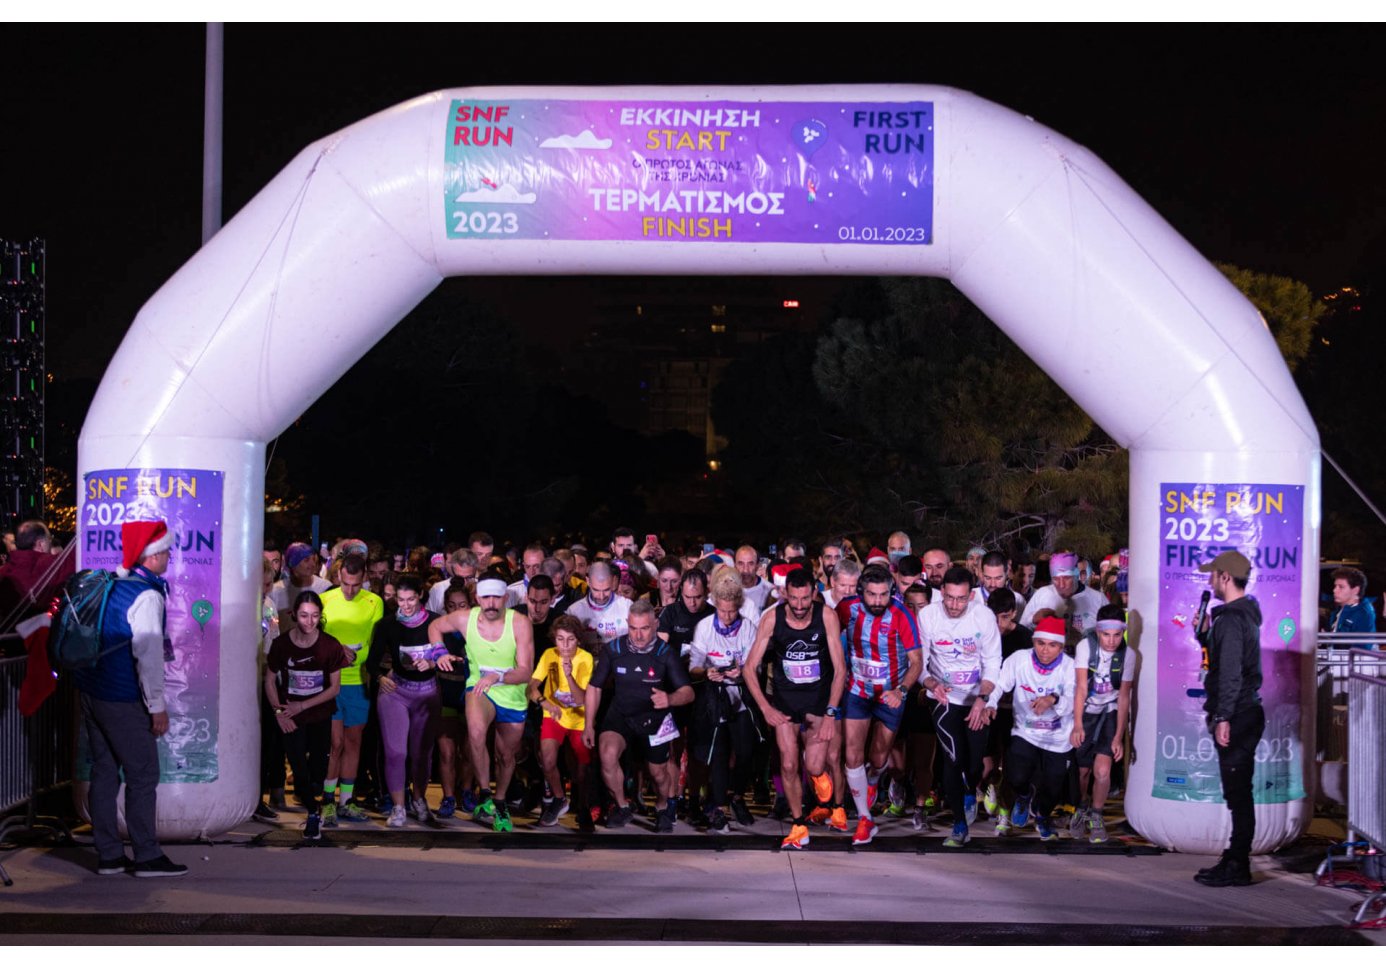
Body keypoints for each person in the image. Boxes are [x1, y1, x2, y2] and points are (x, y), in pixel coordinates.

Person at [74, 519, 186, 876]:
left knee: (105, 771)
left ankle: (108, 854)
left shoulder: (114, 584)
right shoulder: (148, 595)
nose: (169, 556)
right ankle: (147, 855)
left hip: (92, 692)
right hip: (123, 698)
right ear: (152, 557)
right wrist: (157, 706)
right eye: (166, 550)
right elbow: (148, 656)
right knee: (142, 775)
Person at [744, 566, 846, 850]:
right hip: (785, 704)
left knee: (813, 765)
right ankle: (799, 824)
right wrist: (765, 708)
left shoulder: (826, 616)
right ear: (784, 595)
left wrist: (830, 714)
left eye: (805, 599)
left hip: (816, 703)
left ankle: (818, 777)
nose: (800, 606)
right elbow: (749, 669)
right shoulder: (770, 619)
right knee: (788, 764)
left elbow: (840, 670)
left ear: (813, 594)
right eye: (794, 599)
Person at [432, 573, 536, 832]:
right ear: (477, 598)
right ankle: (486, 794)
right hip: (480, 687)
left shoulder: (520, 623)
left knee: (506, 755)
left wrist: (498, 676)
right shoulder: (464, 618)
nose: (491, 603)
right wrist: (439, 651)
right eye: (485, 597)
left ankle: (499, 801)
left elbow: (525, 671)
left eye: (496, 597)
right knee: (476, 733)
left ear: (506, 598)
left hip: (511, 689)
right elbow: (435, 627)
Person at [584, 599, 694, 832]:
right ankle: (623, 805)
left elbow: (688, 692)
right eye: (633, 628)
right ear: (627, 624)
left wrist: (670, 699)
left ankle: (663, 807)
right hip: (622, 714)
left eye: (644, 628)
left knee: (659, 773)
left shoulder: (665, 653)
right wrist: (588, 725)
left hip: (655, 718)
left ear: (655, 625)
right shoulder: (613, 649)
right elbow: (595, 687)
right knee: (607, 754)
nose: (639, 635)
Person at [834, 563, 923, 846]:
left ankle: (872, 780)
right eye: (871, 595)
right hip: (857, 691)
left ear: (891, 592)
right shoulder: (846, 608)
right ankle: (864, 819)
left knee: (879, 759)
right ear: (861, 591)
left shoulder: (902, 615)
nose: (877, 601)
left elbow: (917, 662)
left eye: (883, 595)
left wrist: (902, 690)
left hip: (890, 695)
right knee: (851, 755)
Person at [1194, 550, 1264, 888]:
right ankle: (1235, 859)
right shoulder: (1234, 617)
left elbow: (1232, 673)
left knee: (1239, 794)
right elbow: (1223, 662)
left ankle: (1238, 864)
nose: (1210, 580)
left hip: (1238, 714)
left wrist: (1223, 716)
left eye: (1213, 574)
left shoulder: (1234, 619)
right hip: (1241, 712)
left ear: (1225, 577)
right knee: (1237, 792)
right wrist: (1204, 635)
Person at [920, 566, 1002, 847]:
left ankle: (971, 789)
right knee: (952, 760)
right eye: (950, 598)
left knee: (974, 762)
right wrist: (932, 684)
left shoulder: (984, 616)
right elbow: (919, 662)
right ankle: (958, 824)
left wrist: (983, 699)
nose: (955, 605)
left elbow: (993, 662)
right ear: (941, 592)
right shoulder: (928, 616)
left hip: (976, 700)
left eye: (961, 599)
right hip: (944, 700)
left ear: (971, 596)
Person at [984, 615, 1077, 842]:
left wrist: (1053, 699)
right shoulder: (1019, 659)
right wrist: (989, 703)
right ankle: (1024, 795)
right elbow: (999, 683)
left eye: (1052, 645)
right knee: (1016, 776)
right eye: (1040, 643)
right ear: (1034, 642)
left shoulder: (1070, 666)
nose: (1045, 650)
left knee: (1054, 786)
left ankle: (1043, 816)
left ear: (1061, 647)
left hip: (1059, 736)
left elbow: (1074, 701)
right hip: (1026, 731)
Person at [265, 590, 347, 841]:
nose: (309, 621)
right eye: (303, 615)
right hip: (290, 716)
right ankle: (313, 813)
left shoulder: (330, 645)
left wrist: (303, 706)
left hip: (319, 714)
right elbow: (269, 680)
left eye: (314, 616)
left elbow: (334, 688)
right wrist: (279, 712)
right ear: (294, 615)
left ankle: (316, 802)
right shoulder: (281, 645)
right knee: (298, 767)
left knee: (317, 770)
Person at [688, 566, 762, 832]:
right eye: (722, 610)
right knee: (717, 753)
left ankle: (737, 795)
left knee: (744, 751)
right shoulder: (704, 627)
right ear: (716, 605)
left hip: (741, 696)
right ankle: (718, 808)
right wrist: (708, 672)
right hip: (714, 697)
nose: (728, 616)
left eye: (732, 611)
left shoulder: (749, 628)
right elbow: (694, 667)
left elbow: (757, 666)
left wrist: (743, 672)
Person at [370, 574, 444, 827]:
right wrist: (380, 677)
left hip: (427, 694)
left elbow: (457, 657)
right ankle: (398, 807)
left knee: (421, 753)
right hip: (396, 693)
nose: (406, 605)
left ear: (420, 595)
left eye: (411, 599)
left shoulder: (436, 623)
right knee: (395, 752)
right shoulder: (387, 625)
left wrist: (434, 662)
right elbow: (371, 662)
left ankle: (419, 799)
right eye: (401, 600)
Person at [320, 554, 385, 825]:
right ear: (338, 576)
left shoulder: (375, 602)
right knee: (334, 743)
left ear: (364, 579)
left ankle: (346, 800)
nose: (350, 590)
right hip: (330, 683)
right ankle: (327, 801)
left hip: (358, 682)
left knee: (353, 742)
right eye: (345, 583)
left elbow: (375, 643)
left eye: (356, 585)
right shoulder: (325, 600)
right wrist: (336, 653)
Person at [1071, 603, 1138, 844]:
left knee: (1102, 770)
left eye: (1117, 635)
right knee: (1082, 770)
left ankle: (1096, 816)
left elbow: (1123, 697)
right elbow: (1080, 688)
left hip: (1110, 711)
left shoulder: (1128, 655)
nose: (1111, 641)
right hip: (1087, 709)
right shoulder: (1084, 647)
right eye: (1106, 635)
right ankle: (1081, 807)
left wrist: (1119, 736)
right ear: (1098, 632)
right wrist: (1077, 724)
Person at [529, 615, 595, 828]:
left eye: (571, 640)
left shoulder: (585, 659)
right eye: (560, 639)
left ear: (578, 640)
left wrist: (568, 675)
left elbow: (581, 699)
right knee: (547, 760)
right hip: (554, 715)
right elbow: (530, 686)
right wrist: (543, 702)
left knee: (582, 769)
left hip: (578, 718)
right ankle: (559, 798)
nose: (565, 645)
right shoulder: (549, 655)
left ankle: (584, 807)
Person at [0, 519, 76, 629]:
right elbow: (75, 559)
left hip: (7, 641)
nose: (51, 543)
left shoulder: (4, 571)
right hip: (39, 640)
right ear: (41, 543)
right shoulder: (46, 565)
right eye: (49, 539)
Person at [1020, 551, 1106, 645]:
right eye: (1055, 579)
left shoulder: (1098, 599)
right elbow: (1020, 630)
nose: (1061, 585)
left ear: (1076, 575)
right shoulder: (1042, 594)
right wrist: (1033, 620)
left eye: (1066, 578)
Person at [566, 560, 632, 644]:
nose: (601, 596)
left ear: (613, 581)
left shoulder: (627, 607)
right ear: (588, 581)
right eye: (596, 590)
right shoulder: (574, 611)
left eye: (606, 590)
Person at [1327, 566, 1376, 637]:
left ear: (1356, 590)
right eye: (1335, 586)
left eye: (1341, 587)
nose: (1334, 590)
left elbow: (1362, 646)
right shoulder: (1337, 609)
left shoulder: (1364, 614)